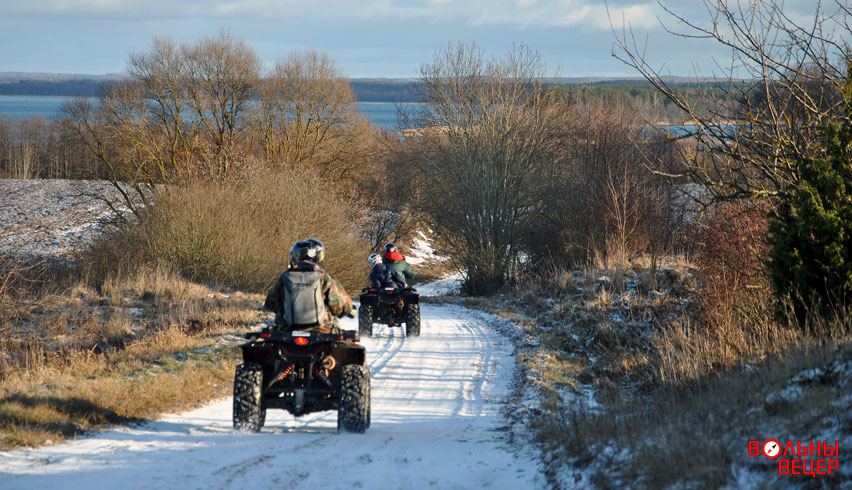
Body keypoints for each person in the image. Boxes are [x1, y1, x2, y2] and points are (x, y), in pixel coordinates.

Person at [264, 238, 354, 333]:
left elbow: (270, 304)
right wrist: (348, 310)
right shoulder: (324, 277)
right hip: (322, 330)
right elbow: (341, 306)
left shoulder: (285, 277)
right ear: (319, 257)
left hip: (287, 330)